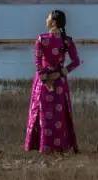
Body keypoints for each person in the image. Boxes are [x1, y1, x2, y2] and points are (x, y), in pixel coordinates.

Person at [22, 10, 81, 154]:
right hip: (60, 82)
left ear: (53, 21)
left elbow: (37, 62)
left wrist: (45, 78)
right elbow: (76, 62)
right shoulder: (67, 41)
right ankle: (60, 146)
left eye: (48, 17)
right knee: (59, 115)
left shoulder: (42, 39)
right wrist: (59, 74)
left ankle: (43, 146)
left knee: (42, 114)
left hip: (42, 83)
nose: (46, 19)